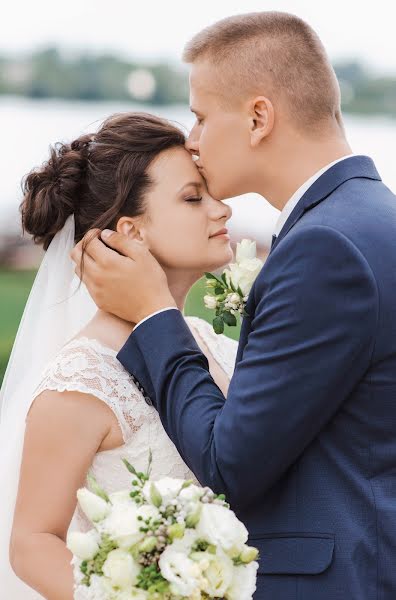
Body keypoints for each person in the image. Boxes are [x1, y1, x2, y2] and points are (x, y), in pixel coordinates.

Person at [72, 12, 396, 600]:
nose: (191, 140)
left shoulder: (325, 248)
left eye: (199, 116)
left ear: (257, 117)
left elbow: (230, 467)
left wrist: (152, 315)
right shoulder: (373, 220)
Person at [0, 112, 238, 599]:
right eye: (194, 198)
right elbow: (31, 543)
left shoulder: (216, 344)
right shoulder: (81, 381)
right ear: (131, 232)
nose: (223, 210)